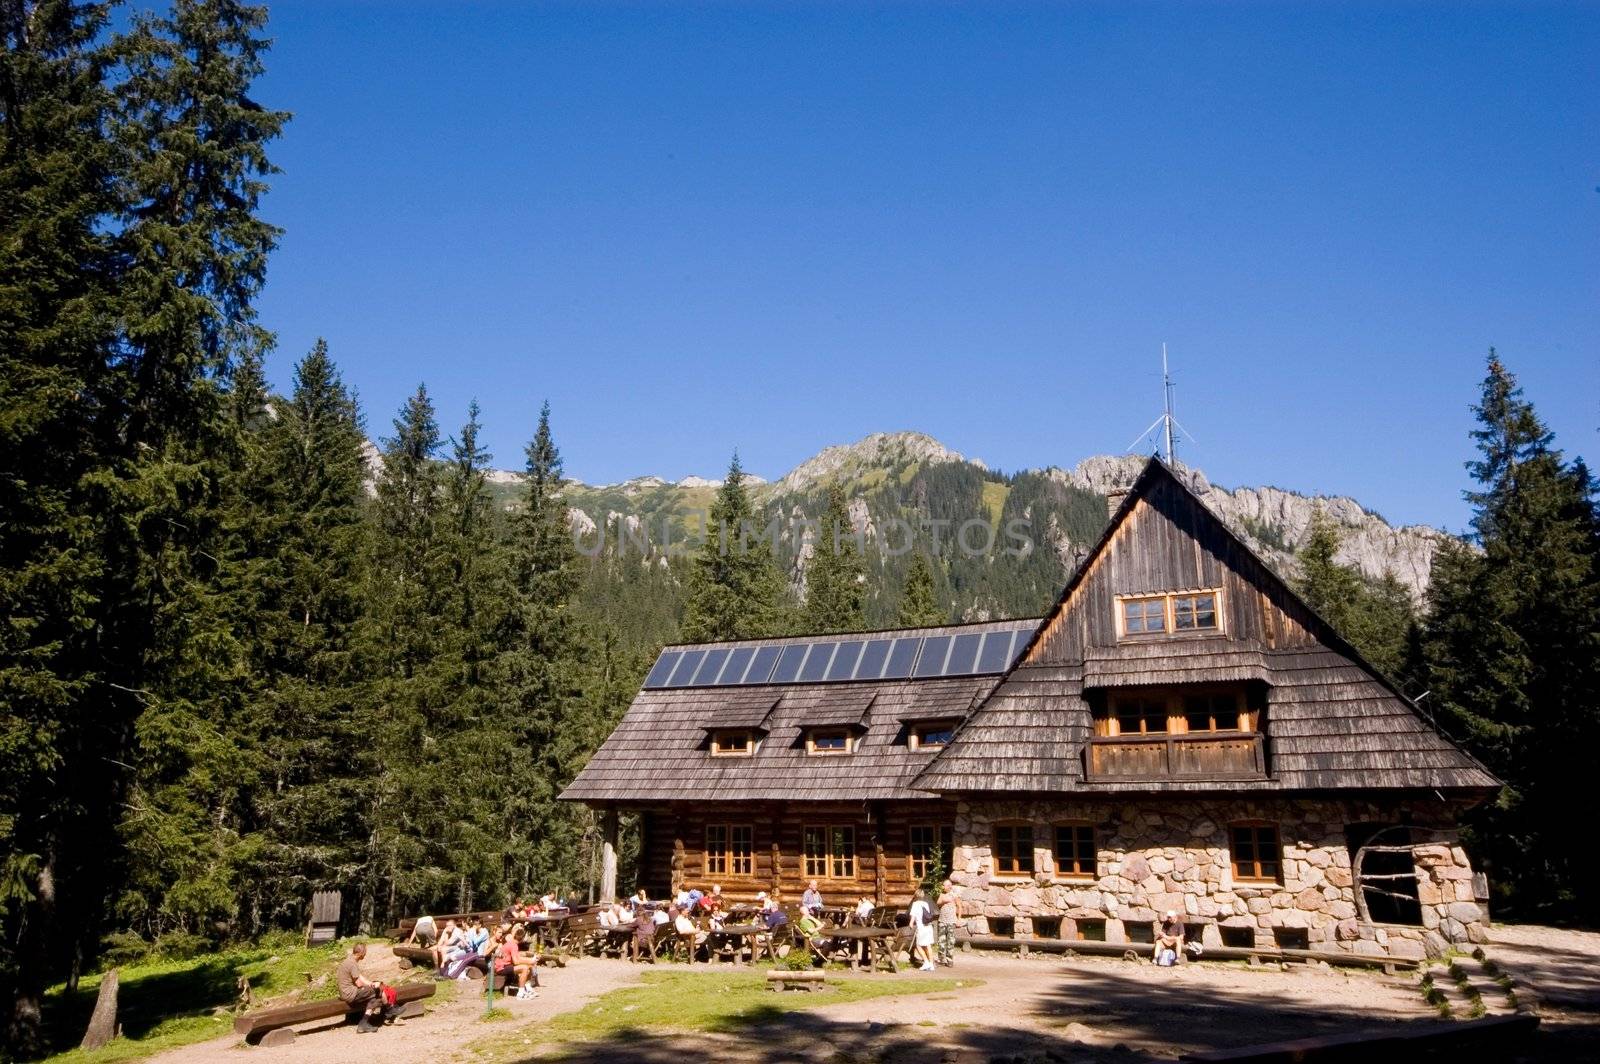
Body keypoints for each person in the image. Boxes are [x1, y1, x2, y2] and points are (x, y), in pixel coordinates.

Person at [336, 944, 391, 1033]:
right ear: (361, 953)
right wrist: (374, 985)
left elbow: (359, 978)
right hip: (351, 994)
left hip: (345, 993)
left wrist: (371, 984)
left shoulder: (348, 961)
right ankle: (389, 1011)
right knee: (378, 991)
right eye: (365, 953)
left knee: (374, 996)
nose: (365, 955)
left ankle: (364, 1023)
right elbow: (359, 983)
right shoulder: (352, 964)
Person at [909, 890, 936, 971]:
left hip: (921, 927)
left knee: (918, 946)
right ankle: (931, 965)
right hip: (928, 927)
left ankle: (926, 962)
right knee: (928, 946)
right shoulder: (926, 903)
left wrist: (910, 924)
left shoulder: (915, 904)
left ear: (915, 895)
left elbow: (913, 917)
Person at [935, 879, 958, 968]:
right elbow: (938, 903)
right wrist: (943, 901)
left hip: (951, 921)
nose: (944, 887)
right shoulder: (942, 895)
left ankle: (950, 960)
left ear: (949, 886)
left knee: (950, 941)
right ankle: (941, 959)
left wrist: (958, 919)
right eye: (944, 885)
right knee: (941, 940)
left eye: (946, 885)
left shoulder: (954, 895)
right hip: (942, 920)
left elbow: (959, 906)